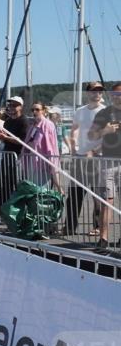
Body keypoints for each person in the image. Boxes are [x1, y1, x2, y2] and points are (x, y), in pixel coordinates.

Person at [65, 82, 106, 237]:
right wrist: (73, 147)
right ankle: (69, 226)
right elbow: (74, 129)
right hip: (80, 157)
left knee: (97, 195)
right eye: (94, 90)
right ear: (87, 93)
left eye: (100, 90)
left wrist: (94, 151)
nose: (97, 93)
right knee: (74, 193)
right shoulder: (80, 111)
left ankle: (97, 226)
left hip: (98, 158)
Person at [88, 83, 121, 254]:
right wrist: (105, 131)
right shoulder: (104, 113)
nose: (117, 96)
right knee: (107, 202)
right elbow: (91, 134)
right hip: (108, 162)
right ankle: (104, 238)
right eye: (115, 94)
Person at [0, 96, 28, 212]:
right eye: (10, 105)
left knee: (16, 186)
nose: (11, 107)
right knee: (3, 186)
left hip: (18, 157)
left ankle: (17, 212)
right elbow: (7, 140)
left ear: (21, 107)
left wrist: (5, 137)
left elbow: (22, 141)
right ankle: (3, 212)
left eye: (14, 105)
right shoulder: (7, 122)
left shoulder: (24, 121)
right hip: (6, 156)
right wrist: (2, 136)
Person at [20, 102, 59, 189]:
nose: (34, 112)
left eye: (37, 109)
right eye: (32, 110)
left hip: (43, 165)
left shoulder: (48, 125)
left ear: (44, 111)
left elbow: (51, 147)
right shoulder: (33, 125)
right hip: (31, 163)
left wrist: (52, 165)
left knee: (42, 192)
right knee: (33, 191)